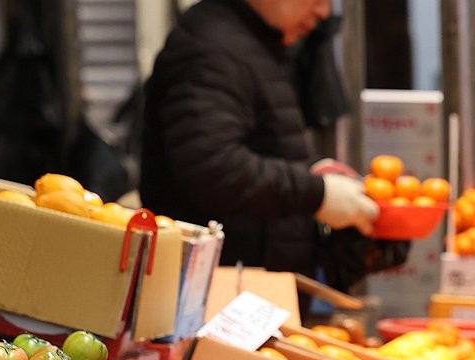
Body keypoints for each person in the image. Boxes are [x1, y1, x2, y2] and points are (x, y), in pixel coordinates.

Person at [139, 0, 378, 281]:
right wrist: (317, 193)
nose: (324, 13)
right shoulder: (212, 47)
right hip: (218, 298)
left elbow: (265, 150)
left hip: (257, 294)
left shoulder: (257, 41)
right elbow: (213, 167)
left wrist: (315, 174)